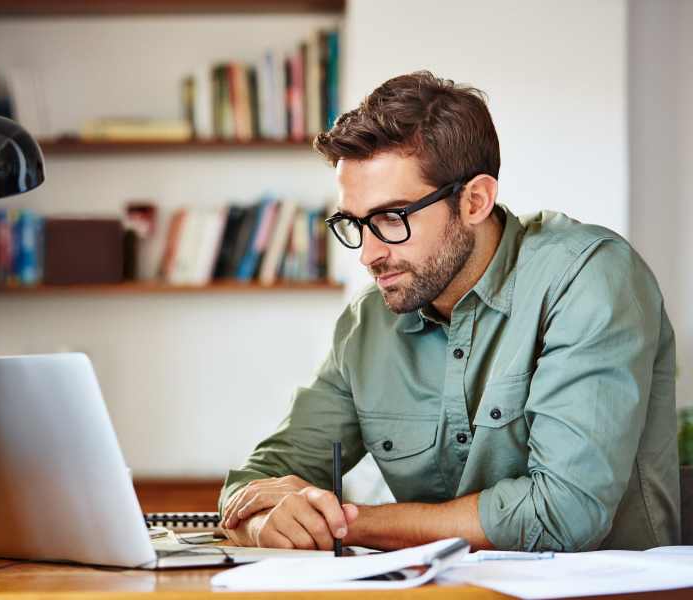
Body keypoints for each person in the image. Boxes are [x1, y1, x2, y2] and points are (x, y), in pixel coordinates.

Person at [218, 71, 680, 552]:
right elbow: (258, 483)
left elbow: (563, 514)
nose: (367, 255)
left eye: (391, 219)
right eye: (354, 223)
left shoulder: (589, 278)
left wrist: (345, 523)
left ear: (475, 200)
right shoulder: (367, 324)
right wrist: (264, 522)